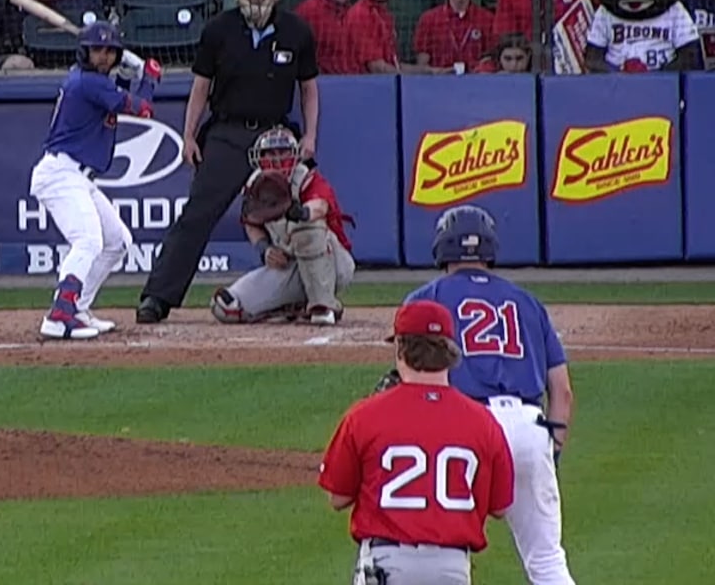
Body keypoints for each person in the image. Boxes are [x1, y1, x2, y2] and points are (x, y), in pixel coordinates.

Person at [397, 206, 577, 585]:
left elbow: (416, 381)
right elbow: (562, 391)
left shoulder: (425, 299)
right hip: (529, 427)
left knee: (442, 552)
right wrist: (550, 451)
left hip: (466, 429)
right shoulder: (528, 303)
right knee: (547, 560)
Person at [136, 0, 319, 325]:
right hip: (229, 131)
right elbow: (201, 87)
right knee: (197, 214)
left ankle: (312, 296)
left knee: (294, 213)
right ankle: (158, 297)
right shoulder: (219, 30)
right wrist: (189, 134)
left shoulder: (296, 31)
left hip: (276, 137)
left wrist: (310, 135)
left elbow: (309, 88)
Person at [320, 299, 515, 585]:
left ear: (400, 348)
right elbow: (499, 507)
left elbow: (338, 498)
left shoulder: (365, 415)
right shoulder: (483, 422)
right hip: (452, 568)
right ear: (449, 351)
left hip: (388, 564)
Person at [32, 22, 158, 339]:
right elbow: (143, 109)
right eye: (98, 50)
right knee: (88, 241)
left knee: (117, 241)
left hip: (79, 177)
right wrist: (150, 78)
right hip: (61, 174)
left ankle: (78, 309)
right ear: (85, 51)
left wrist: (137, 75)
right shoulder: (86, 82)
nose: (103, 56)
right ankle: (59, 317)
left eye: (110, 51)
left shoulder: (98, 82)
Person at [211, 127, 353, 326]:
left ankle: (323, 306)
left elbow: (320, 207)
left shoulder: (306, 179)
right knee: (227, 307)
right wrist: (264, 249)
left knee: (305, 227)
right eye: (270, 153)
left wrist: (301, 212)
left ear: (294, 154)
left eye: (282, 152)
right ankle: (291, 307)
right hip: (290, 265)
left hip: (333, 263)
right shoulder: (256, 184)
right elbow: (252, 223)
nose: (276, 159)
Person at [413, 0, 495, 73]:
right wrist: (439, 72)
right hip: (440, 85)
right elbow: (422, 65)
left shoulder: (487, 19)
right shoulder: (428, 20)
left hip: (477, 84)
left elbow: (492, 60)